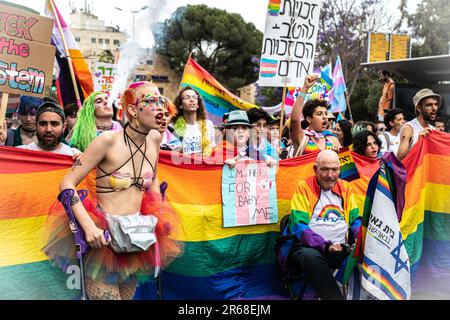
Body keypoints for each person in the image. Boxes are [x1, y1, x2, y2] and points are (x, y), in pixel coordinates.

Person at [42, 81, 182, 300]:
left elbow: (152, 177)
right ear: (133, 110)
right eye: (151, 101)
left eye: (161, 100)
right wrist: (89, 227)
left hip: (135, 240)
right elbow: (67, 184)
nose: (161, 107)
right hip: (104, 243)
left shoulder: (155, 138)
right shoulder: (106, 141)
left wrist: (159, 213)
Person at [286, 150, 361, 300]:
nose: (330, 175)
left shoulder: (346, 187)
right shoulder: (304, 186)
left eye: (334, 169)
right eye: (325, 169)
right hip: (308, 249)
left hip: (341, 248)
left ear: (340, 170)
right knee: (311, 257)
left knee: (369, 252)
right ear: (315, 169)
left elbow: (355, 220)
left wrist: (360, 239)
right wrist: (326, 245)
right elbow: (299, 227)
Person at [290, 75, 340, 156]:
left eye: (326, 114)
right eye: (319, 114)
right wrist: (305, 88)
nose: (325, 117)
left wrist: (338, 155)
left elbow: (345, 167)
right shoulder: (302, 138)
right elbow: (294, 119)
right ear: (309, 119)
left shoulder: (333, 140)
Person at [211, 110, 277, 168]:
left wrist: (269, 161)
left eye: (244, 128)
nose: (240, 131)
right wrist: (224, 166)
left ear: (249, 132)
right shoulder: (219, 150)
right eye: (235, 128)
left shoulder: (252, 151)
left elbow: (264, 159)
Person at [17, 101, 81, 157]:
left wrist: (82, 163)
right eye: (43, 124)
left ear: (63, 127)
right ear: (36, 126)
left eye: (55, 124)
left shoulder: (74, 155)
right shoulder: (20, 153)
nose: (48, 129)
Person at [397, 88, 441, 161]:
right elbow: (400, 158)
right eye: (429, 105)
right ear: (419, 108)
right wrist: (419, 143)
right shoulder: (409, 128)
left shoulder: (433, 129)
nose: (434, 108)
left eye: (436, 104)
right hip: (413, 172)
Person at [170, 86, 215, 156]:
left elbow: (212, 149)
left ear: (198, 105)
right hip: (182, 165)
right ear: (181, 105)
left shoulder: (208, 125)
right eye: (187, 97)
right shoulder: (172, 127)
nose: (191, 100)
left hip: (202, 165)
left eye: (194, 97)